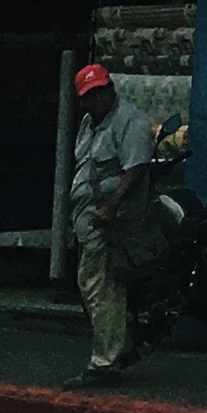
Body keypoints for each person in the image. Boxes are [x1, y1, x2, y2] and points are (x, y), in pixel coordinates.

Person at [68, 57, 170, 383]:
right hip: (88, 221)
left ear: (110, 88)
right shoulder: (88, 123)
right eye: (89, 94)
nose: (95, 98)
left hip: (113, 224)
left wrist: (111, 207)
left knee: (101, 290)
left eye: (100, 91)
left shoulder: (131, 121)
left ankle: (104, 364)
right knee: (96, 289)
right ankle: (120, 348)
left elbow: (136, 169)